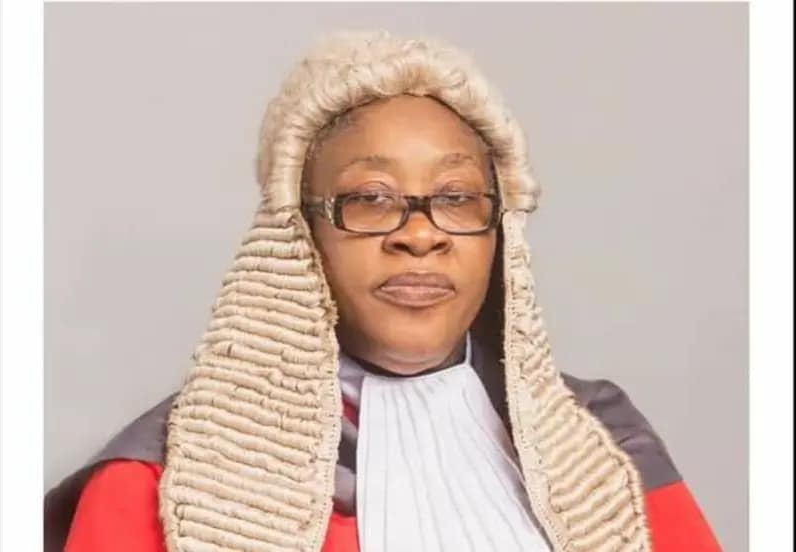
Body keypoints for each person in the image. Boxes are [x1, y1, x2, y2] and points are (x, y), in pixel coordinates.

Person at [45, 30, 721, 552]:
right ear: (298, 233)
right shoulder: (165, 478)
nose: (420, 235)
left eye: (456, 197)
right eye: (370, 198)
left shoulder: (604, 445)